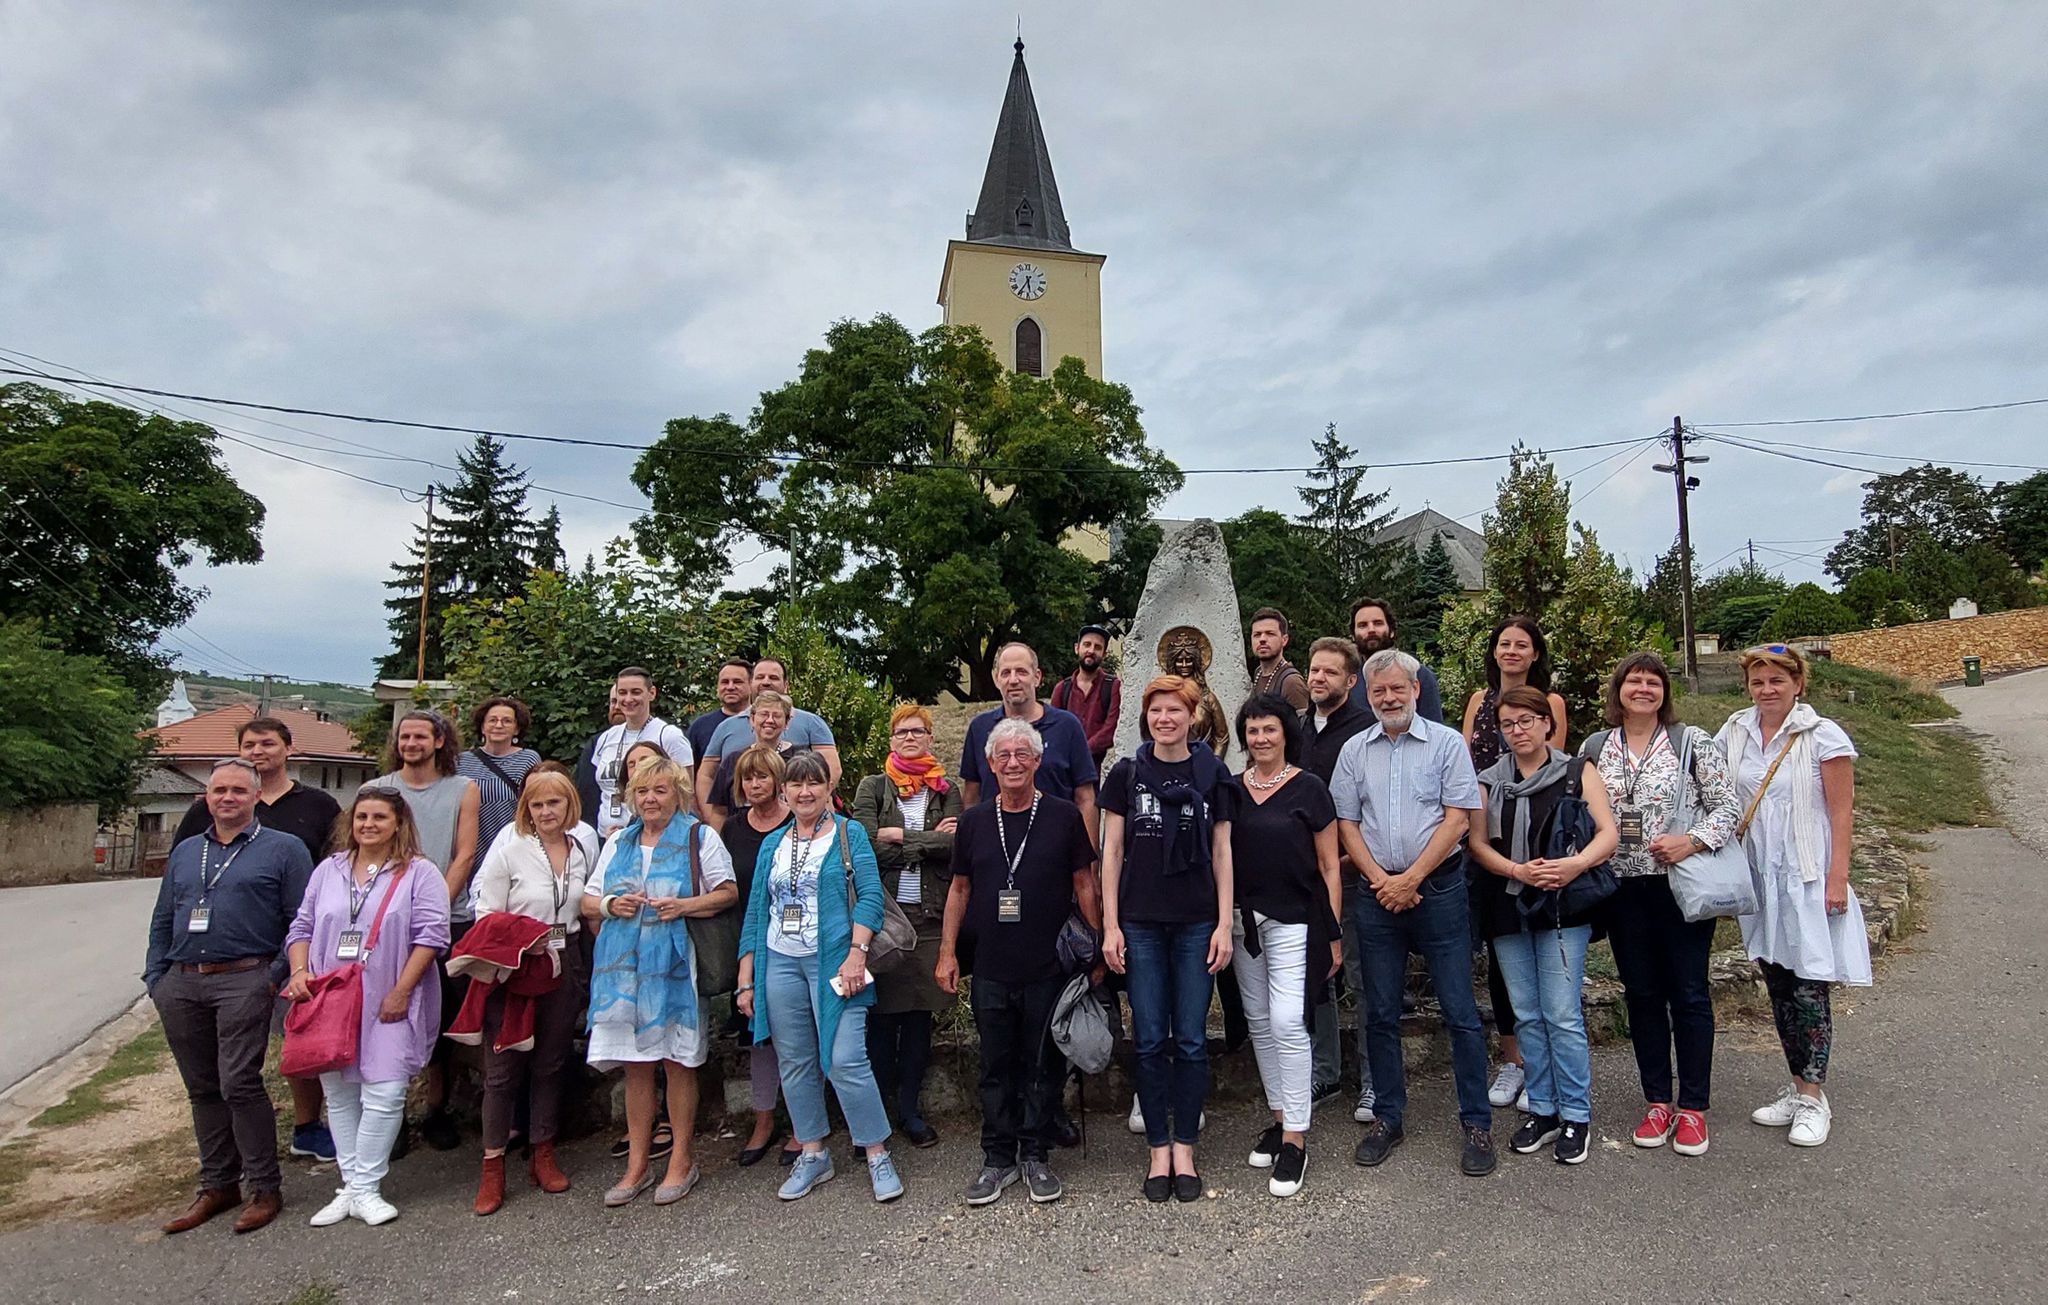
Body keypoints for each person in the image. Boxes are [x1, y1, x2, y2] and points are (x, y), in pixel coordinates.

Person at [1333, 649, 1495, 1177]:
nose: (1388, 698)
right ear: (1369, 694)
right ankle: (1388, 1117)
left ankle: (1477, 1123)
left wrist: (1411, 879)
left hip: (1439, 890)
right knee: (1379, 1012)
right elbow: (1347, 823)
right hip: (1377, 895)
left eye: (1397, 689)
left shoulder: (1447, 744)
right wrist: (1383, 881)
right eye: (1378, 691)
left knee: (1460, 1011)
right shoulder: (1355, 750)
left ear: (1416, 689)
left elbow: (1457, 820)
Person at [146, 758, 314, 1235]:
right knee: (202, 1088)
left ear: (256, 797)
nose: (227, 798)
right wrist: (157, 977)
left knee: (239, 1083)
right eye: (219, 790)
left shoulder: (284, 849)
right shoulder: (187, 851)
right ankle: (218, 1184)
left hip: (246, 977)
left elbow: (302, 920)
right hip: (182, 981)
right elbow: (164, 916)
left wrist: (273, 976)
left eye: (239, 790)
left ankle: (264, 1187)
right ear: (207, 797)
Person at [936, 718, 1100, 1206]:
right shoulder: (973, 822)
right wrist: (947, 952)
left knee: (1042, 1064)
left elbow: (1084, 884)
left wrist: (1097, 947)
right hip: (990, 965)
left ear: (1037, 761)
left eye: (1021, 754)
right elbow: (959, 890)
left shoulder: (1064, 816)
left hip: (1048, 966)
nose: (1012, 763)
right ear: (990, 764)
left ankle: (1035, 1154)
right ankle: (997, 1157)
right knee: (995, 1065)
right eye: (1003, 755)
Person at [169, 716, 341, 1164]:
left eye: (267, 743)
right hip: (226, 954)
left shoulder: (318, 805)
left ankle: (307, 1127)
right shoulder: (206, 810)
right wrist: (160, 973)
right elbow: (178, 880)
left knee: (298, 1042)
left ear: (288, 749)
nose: (258, 751)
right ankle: (231, 1147)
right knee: (228, 1067)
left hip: (292, 948)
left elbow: (337, 867)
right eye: (249, 745)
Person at [1588, 651, 1740, 1157]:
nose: (1644, 689)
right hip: (1621, 888)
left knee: (1689, 993)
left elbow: (1728, 807)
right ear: (1619, 690)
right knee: (1642, 994)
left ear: (1664, 693)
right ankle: (1657, 1101)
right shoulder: (1595, 747)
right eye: (1634, 681)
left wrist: (1690, 841)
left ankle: (1693, 1106)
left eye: (1653, 682)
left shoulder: (1691, 742)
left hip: (1679, 883)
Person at [1718, 644, 1869, 1148]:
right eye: (1758, 681)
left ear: (1798, 684)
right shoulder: (1735, 731)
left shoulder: (1823, 735)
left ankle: (1813, 1098)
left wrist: (1837, 878)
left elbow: (1842, 812)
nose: (1767, 690)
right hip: (1760, 877)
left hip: (1805, 876)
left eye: (1777, 680)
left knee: (1808, 985)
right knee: (1779, 982)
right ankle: (1798, 1083)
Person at [737, 749, 904, 1203]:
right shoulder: (774, 843)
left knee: (846, 1059)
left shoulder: (849, 834)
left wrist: (856, 955)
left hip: (836, 962)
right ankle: (813, 1152)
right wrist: (746, 977)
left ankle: (876, 1151)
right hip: (780, 962)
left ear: (830, 788)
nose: (805, 791)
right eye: (796, 783)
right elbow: (757, 911)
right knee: (795, 1062)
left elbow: (870, 897)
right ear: (784, 791)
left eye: (814, 782)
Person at [1468, 686, 1621, 1166]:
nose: (1518, 731)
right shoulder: (1489, 781)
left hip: (1562, 906)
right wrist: (1517, 870)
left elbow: (1608, 834)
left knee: (1562, 1013)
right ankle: (1544, 1108)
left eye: (1526, 721)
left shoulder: (1577, 771)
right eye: (1508, 724)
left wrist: (1574, 866)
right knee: (1527, 1015)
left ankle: (1576, 1114)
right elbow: (1477, 844)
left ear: (1547, 723)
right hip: (1507, 904)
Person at [285, 786, 450, 1228]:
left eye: (379, 817)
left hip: (389, 996)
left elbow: (432, 936)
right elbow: (302, 926)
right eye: (362, 817)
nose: (369, 825)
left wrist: (402, 990)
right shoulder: (329, 870)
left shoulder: (419, 872)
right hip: (331, 999)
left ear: (398, 823)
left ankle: (367, 1187)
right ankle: (352, 1186)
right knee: (340, 1094)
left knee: (386, 1091)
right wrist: (299, 972)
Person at [1101, 675, 1236, 1203]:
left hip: (1197, 921)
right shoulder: (1127, 774)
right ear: (1146, 716)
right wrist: (1111, 925)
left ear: (1192, 715)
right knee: (1151, 1037)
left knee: (1193, 1039)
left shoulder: (1212, 773)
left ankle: (1186, 1147)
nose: (1165, 719)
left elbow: (1223, 851)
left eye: (1175, 710)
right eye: (1156, 710)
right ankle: (1158, 1148)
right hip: (1140, 922)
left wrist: (1224, 924)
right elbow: (1112, 853)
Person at [582, 755, 736, 1207]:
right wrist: (612, 905)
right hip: (624, 974)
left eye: (660, 790)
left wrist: (683, 906)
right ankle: (637, 1164)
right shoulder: (618, 842)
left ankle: (681, 1160)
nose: (650, 799)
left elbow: (728, 892)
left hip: (676, 968)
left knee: (677, 1062)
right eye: (643, 791)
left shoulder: (698, 836)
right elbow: (588, 900)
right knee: (636, 1067)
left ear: (678, 794)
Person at [466, 768, 592, 1214]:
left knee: (551, 1062)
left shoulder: (581, 850)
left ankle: (544, 1152)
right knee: (502, 1070)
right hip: (516, 966)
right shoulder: (510, 852)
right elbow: (485, 913)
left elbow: (585, 909)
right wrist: (521, 941)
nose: (545, 812)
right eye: (537, 805)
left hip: (565, 958)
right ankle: (493, 1167)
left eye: (554, 803)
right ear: (526, 810)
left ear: (569, 805)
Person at [1229, 695, 1341, 1198]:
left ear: (1285, 734)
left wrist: (1333, 931)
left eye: (1269, 729)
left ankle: (1297, 1137)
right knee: (1258, 1021)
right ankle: (1279, 1118)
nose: (1261, 738)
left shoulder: (1310, 788)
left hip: (1296, 920)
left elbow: (1330, 865)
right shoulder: (1232, 791)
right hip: (1243, 923)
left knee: (1287, 1022)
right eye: (1253, 731)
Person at [1459, 616, 1571, 1114]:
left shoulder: (1551, 703)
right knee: (1503, 960)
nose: (1511, 651)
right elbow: (1466, 770)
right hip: (1490, 844)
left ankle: (1547, 1064)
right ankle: (1513, 1060)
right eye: (1503, 643)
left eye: (1521, 644)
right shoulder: (1478, 702)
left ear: (1534, 653)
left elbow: (1552, 774)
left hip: (1541, 848)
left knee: (1545, 960)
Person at [851, 704, 964, 1149]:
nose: (910, 738)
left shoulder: (946, 789)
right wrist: (927, 841)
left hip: (930, 917)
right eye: (902, 732)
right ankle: (876, 1115)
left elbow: (955, 846)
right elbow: (863, 843)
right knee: (880, 1020)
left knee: (918, 1019)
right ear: (891, 740)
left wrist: (897, 836)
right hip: (884, 919)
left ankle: (911, 1111)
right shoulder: (873, 786)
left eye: (918, 731)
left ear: (931, 738)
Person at [372, 709, 480, 1151]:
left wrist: (433, 909)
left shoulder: (462, 789)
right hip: (386, 922)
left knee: (442, 1020)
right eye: (405, 736)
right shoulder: (377, 790)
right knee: (384, 1018)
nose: (411, 744)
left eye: (420, 736)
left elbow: (464, 853)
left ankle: (436, 1109)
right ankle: (391, 1117)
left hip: (448, 918)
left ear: (439, 741)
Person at [1298, 636, 1375, 1121]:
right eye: (1314, 670)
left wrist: (1349, 859)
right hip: (1305, 878)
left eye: (1329, 672)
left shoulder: (1365, 731)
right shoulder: (1299, 728)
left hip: (1351, 874)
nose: (1318, 678)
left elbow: (1370, 807)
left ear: (1350, 680)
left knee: (1362, 978)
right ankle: (1325, 1072)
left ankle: (1372, 1081)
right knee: (1316, 978)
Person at [718, 745, 802, 1168]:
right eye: (747, 778)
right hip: (750, 940)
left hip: (793, 940)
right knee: (758, 1038)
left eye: (762, 776)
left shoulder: (797, 822)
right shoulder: (732, 829)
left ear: (778, 781)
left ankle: (803, 1123)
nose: (754, 784)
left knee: (798, 1034)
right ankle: (763, 1120)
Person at [960, 642, 1099, 834]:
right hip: (995, 843)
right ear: (996, 679)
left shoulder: (1067, 727)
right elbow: (971, 798)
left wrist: (1090, 851)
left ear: (1037, 677)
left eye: (1021, 672)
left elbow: (1085, 798)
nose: (1013, 680)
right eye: (1006, 673)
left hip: (1058, 842)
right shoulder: (980, 729)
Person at [696, 657, 841, 823]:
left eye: (773, 677)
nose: (766, 682)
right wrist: (709, 822)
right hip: (740, 829)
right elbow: (709, 780)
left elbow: (830, 770)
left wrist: (822, 801)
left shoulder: (810, 726)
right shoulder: (726, 731)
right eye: (760, 677)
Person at [592, 668, 695, 840]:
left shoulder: (669, 736)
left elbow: (686, 793)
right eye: (622, 693)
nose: (628, 699)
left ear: (651, 693)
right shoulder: (606, 737)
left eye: (636, 692)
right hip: (605, 836)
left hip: (653, 837)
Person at [457, 696, 542, 856]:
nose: (498, 725)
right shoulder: (462, 761)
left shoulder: (528, 759)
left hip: (513, 843)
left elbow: (536, 801)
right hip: (471, 843)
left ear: (516, 729)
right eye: (492, 720)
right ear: (482, 727)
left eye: (507, 721)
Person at [704, 690, 798, 822]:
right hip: (739, 831)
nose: (769, 720)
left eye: (776, 716)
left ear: (787, 722)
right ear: (752, 719)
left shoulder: (799, 760)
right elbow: (719, 811)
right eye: (764, 714)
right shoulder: (734, 760)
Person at [1347, 597, 1444, 724]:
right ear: (1353, 636)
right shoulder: (1348, 680)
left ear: (1392, 631)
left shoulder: (1419, 674)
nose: (1371, 630)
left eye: (1378, 623)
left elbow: (1433, 728)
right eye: (1363, 625)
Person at [1049, 623, 1121, 769]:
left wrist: (1082, 752)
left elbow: (1111, 728)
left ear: (1104, 654)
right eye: (1087, 645)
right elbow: (1053, 728)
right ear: (1077, 648)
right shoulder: (1062, 688)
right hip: (1065, 767)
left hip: (1096, 768)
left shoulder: (1113, 686)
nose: (1091, 651)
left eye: (1097, 647)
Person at [574, 688, 626, 833]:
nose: (616, 707)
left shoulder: (658, 739)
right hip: (602, 833)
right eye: (613, 702)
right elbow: (586, 790)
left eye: (622, 702)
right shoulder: (598, 743)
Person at [688, 657, 754, 763]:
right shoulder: (700, 727)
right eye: (725, 682)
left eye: (737, 682)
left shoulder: (764, 723)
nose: (730, 687)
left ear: (751, 685)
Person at [1248, 608, 1311, 713]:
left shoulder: (1291, 682)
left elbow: (1300, 723)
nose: (1262, 639)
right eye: (1257, 634)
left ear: (1284, 640)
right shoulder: (1258, 673)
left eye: (1270, 633)